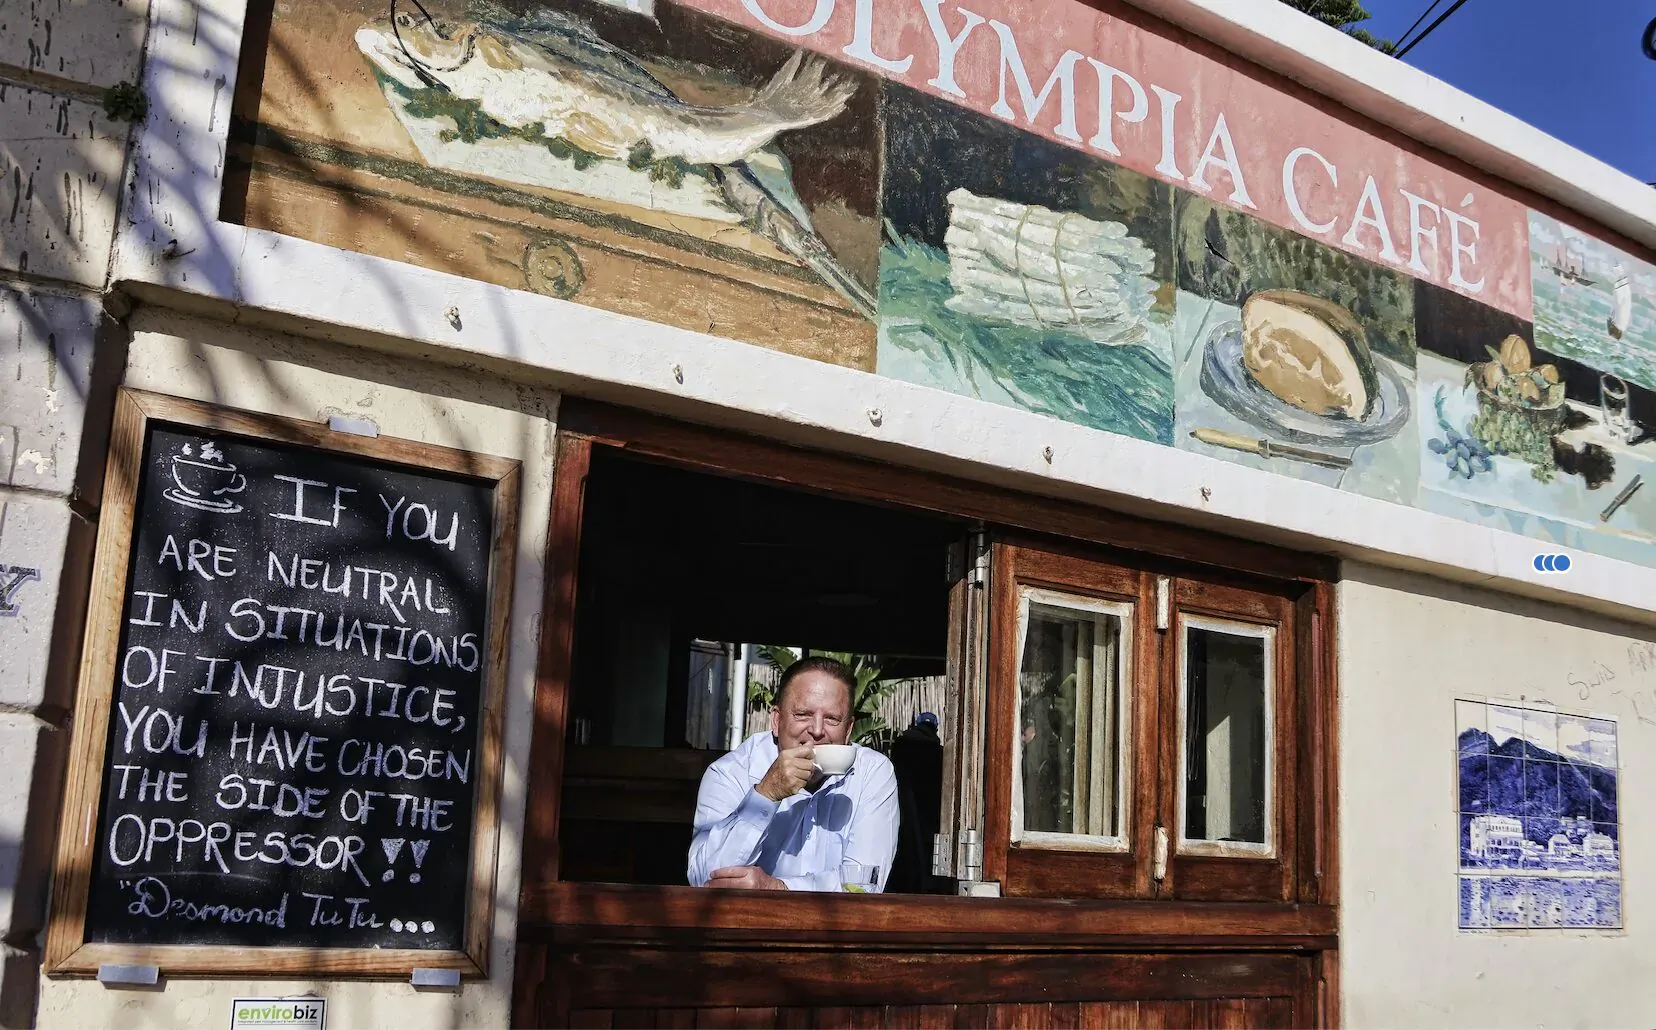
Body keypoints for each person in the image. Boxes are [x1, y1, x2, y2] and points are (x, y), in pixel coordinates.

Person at [688, 656, 899, 892]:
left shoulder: (872, 772)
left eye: (831, 718)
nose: (817, 731)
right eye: (803, 714)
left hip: (838, 927)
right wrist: (765, 794)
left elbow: (864, 885)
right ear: (777, 720)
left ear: (848, 729)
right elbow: (704, 882)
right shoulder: (730, 773)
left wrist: (778, 888)